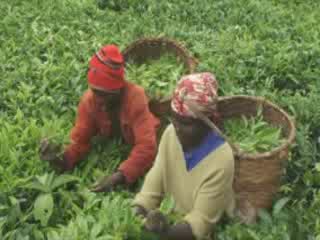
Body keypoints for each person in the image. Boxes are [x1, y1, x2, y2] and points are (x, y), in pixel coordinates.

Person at [39, 44, 160, 192]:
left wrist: (119, 176)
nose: (99, 99)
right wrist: (59, 157)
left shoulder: (136, 97)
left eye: (105, 94)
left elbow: (147, 146)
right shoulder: (89, 101)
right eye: (95, 91)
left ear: (118, 89)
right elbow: (79, 140)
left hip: (146, 134)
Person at [132, 72, 236, 240]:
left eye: (186, 123)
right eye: (175, 119)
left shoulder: (222, 158)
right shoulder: (170, 133)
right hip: (172, 218)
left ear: (206, 122)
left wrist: (165, 233)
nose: (178, 128)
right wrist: (137, 212)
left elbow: (201, 221)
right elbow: (155, 180)